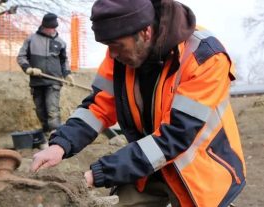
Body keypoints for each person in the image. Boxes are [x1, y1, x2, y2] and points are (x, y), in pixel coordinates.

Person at [31, 0, 246, 206]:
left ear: (145, 32)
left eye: (116, 46)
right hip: (147, 161)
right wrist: (60, 145)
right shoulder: (120, 52)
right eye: (108, 46)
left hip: (199, 171)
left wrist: (97, 174)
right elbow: (98, 106)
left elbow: (175, 137)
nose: (112, 54)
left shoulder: (205, 56)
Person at [17, 13, 74, 138]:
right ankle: (47, 134)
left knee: (52, 110)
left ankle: (56, 137)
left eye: (54, 28)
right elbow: (21, 57)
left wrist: (67, 74)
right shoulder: (31, 40)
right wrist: (28, 69)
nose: (52, 30)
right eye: (50, 28)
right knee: (40, 111)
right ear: (43, 26)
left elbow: (64, 61)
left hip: (54, 82)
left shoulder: (60, 43)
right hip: (37, 82)